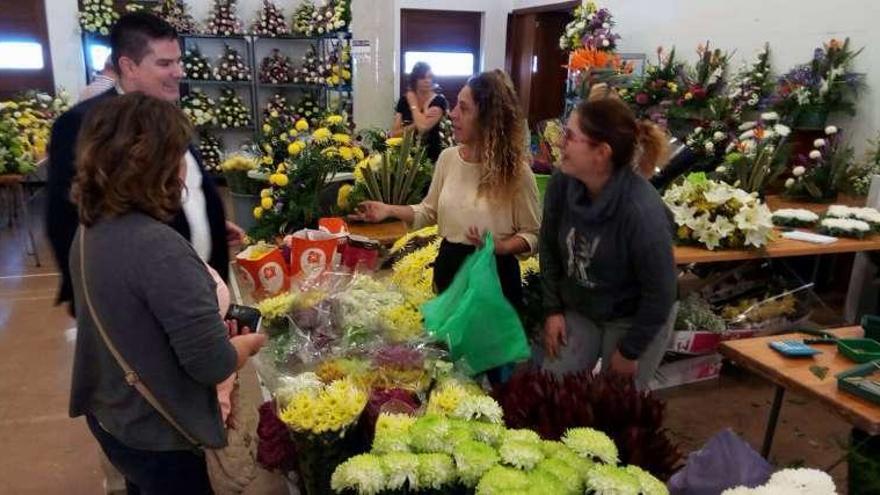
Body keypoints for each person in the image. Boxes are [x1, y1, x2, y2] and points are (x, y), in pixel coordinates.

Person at [68, 93, 267, 494]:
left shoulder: (92, 226)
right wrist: (251, 344)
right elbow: (212, 365)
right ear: (157, 164)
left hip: (115, 415)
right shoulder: (158, 248)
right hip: (162, 436)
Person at [47, 11, 244, 317]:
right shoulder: (85, 123)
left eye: (178, 61)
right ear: (129, 66)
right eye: (165, 63)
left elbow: (184, 184)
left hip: (200, 291)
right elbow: (66, 221)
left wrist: (207, 220)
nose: (178, 72)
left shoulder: (164, 113)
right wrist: (94, 304)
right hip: (145, 305)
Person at [354, 69, 540, 308]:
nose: (452, 115)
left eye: (464, 109)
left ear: (488, 119)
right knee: (446, 345)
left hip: (495, 280)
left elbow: (532, 235)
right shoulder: (448, 159)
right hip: (449, 270)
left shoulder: (516, 173)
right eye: (455, 107)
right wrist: (388, 210)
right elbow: (428, 212)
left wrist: (501, 247)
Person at [539, 97, 676, 390]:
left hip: (634, 316)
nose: (560, 143)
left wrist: (630, 351)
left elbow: (661, 293)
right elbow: (548, 246)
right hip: (582, 306)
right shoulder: (562, 184)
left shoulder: (641, 211)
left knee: (614, 405)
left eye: (571, 136)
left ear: (601, 153)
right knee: (551, 388)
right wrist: (552, 310)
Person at [391, 62, 449, 162]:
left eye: (430, 77)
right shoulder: (404, 100)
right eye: (423, 77)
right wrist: (421, 118)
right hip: (407, 157)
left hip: (432, 156)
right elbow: (394, 133)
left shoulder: (439, 101)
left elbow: (423, 128)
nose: (427, 81)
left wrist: (413, 105)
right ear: (415, 80)